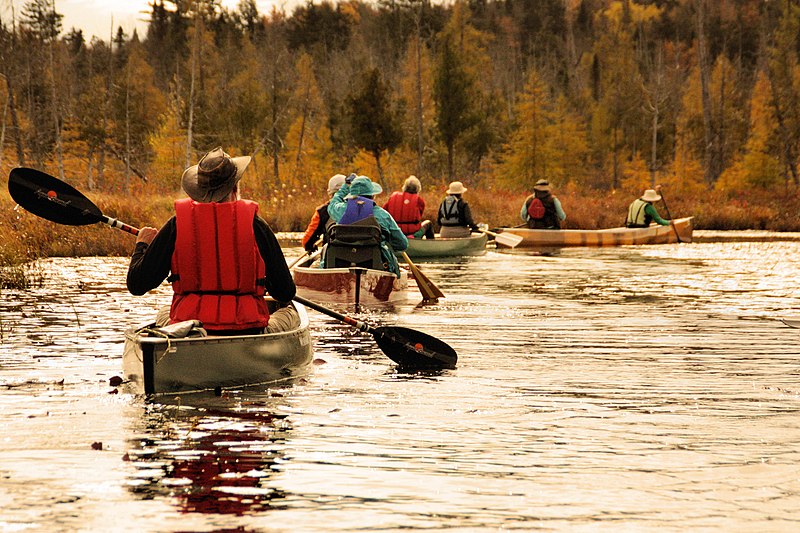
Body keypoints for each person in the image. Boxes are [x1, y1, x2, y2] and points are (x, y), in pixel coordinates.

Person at [127, 146, 299, 335]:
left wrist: (142, 245)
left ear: (198, 191)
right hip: (248, 330)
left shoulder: (177, 225)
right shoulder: (255, 225)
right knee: (291, 313)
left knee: (163, 313)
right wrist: (262, 283)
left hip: (190, 330)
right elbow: (285, 292)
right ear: (235, 187)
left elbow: (137, 285)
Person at [326, 174, 408, 276]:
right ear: (373, 195)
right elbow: (402, 244)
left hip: (341, 263)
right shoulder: (383, 215)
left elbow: (332, 203)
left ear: (351, 195)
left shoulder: (340, 210)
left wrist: (345, 186)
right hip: (375, 266)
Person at [300, 174, 346, 252]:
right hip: (362, 257)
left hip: (332, 258)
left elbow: (306, 241)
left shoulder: (322, 212)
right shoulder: (362, 207)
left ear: (330, 193)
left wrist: (310, 246)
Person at [383, 175, 434, 239]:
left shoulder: (393, 198)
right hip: (412, 234)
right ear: (417, 189)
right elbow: (419, 217)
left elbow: (384, 213)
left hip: (394, 232)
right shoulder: (419, 200)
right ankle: (429, 245)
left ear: (404, 187)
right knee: (428, 223)